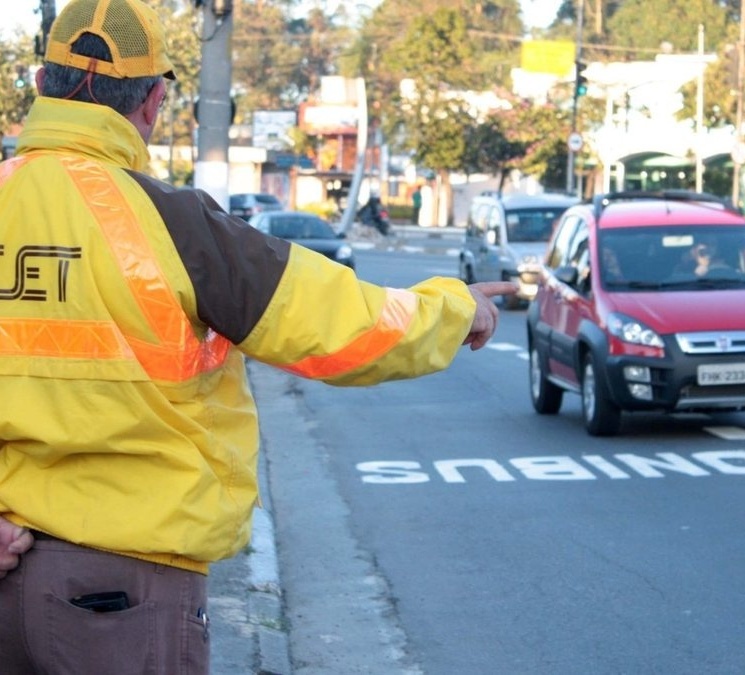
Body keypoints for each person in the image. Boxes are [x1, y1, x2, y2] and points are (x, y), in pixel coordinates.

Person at [0, 1, 515, 672]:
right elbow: (333, 321)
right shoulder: (170, 223)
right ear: (154, 101)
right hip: (126, 595)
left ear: (41, 84)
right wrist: (455, 308)